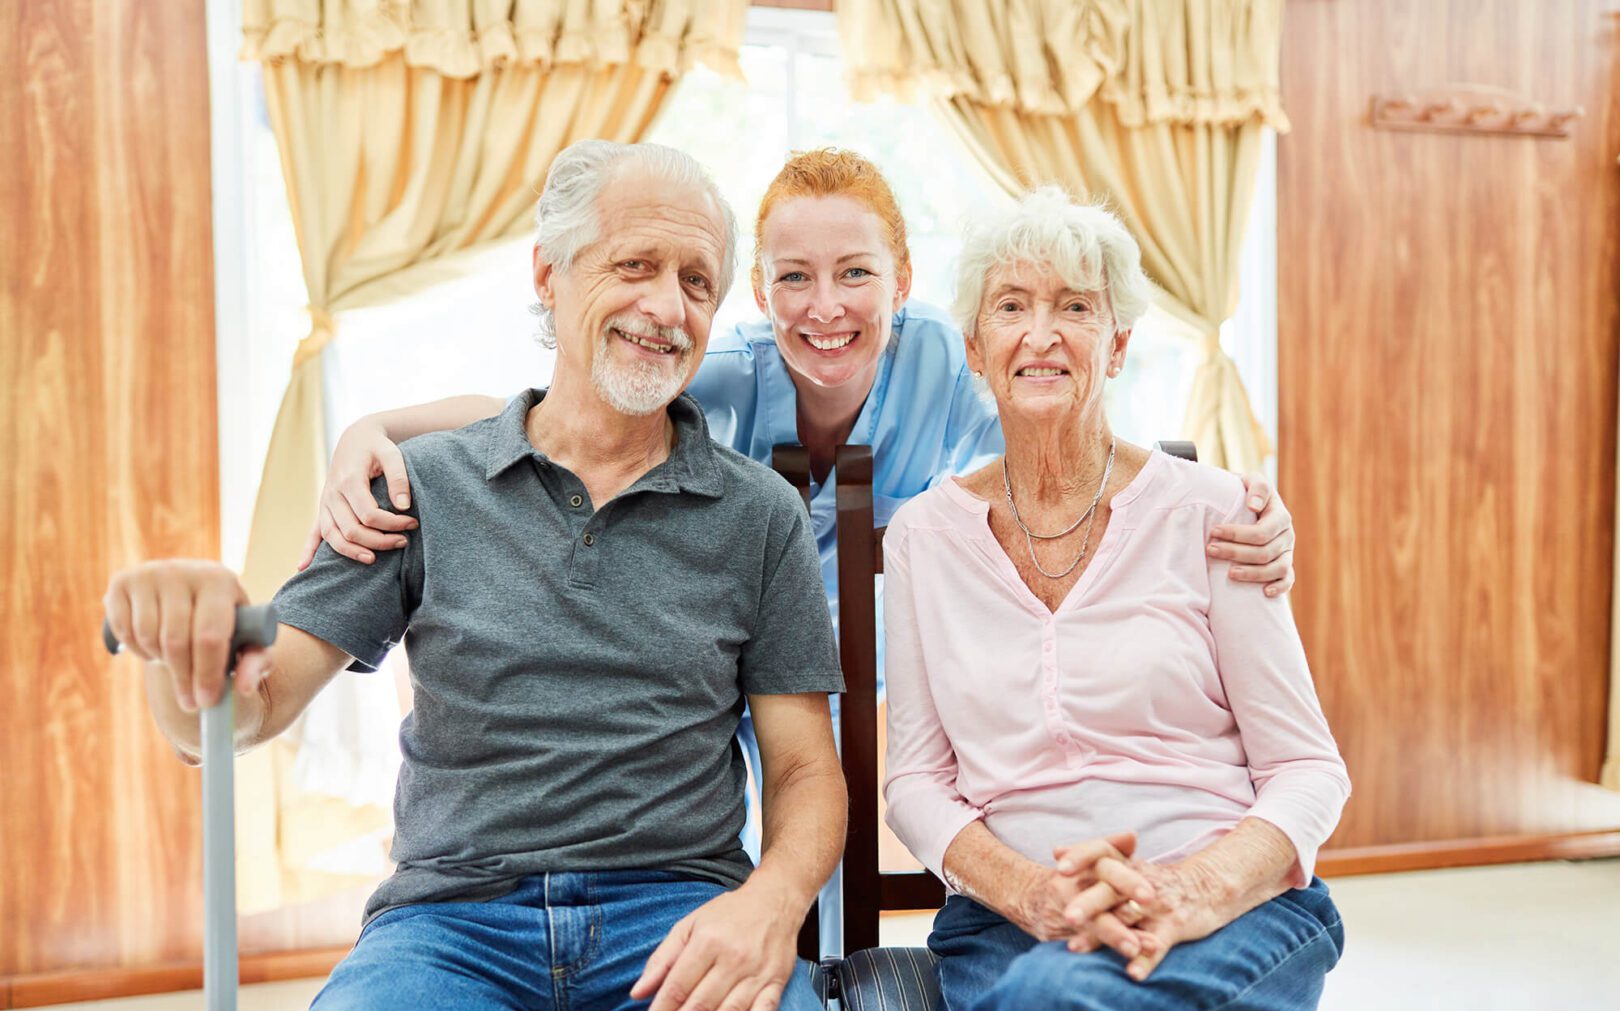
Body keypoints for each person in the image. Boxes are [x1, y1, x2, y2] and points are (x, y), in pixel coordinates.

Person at [298, 150, 1300, 862]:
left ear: (902, 282)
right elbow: (563, 414)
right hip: (751, 641)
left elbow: (1073, 463)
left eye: (856, 275)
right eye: (794, 281)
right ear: (762, 294)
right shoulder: (724, 371)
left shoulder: (949, 365)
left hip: (892, 644)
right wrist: (370, 428)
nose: (826, 310)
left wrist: (1220, 500)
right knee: (752, 784)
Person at [102, 141, 851, 1011]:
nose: (669, 307)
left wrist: (771, 905)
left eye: (697, 282)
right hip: (448, 930)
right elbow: (241, 713)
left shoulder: (758, 514)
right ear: (549, 272)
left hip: (676, 914)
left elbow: (804, 772)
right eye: (634, 266)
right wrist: (185, 651)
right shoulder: (422, 486)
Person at [882, 187, 1350, 1011]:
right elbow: (915, 780)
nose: (1043, 333)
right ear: (976, 349)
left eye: (1076, 307)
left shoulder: (1217, 513)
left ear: (1120, 344)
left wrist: (1189, 891)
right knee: (1041, 1008)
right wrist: (1034, 894)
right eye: (1012, 307)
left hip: (1235, 911)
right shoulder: (923, 540)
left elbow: (1307, 767)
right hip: (1009, 921)